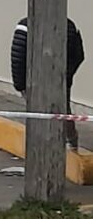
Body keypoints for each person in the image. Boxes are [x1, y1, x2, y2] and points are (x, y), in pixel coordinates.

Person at [11, 16, 85, 150]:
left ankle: (43, 146)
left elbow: (17, 56)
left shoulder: (25, 25)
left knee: (38, 115)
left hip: (34, 82)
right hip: (58, 81)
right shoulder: (68, 25)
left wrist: (20, 84)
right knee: (63, 112)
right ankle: (71, 144)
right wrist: (66, 78)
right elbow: (78, 55)